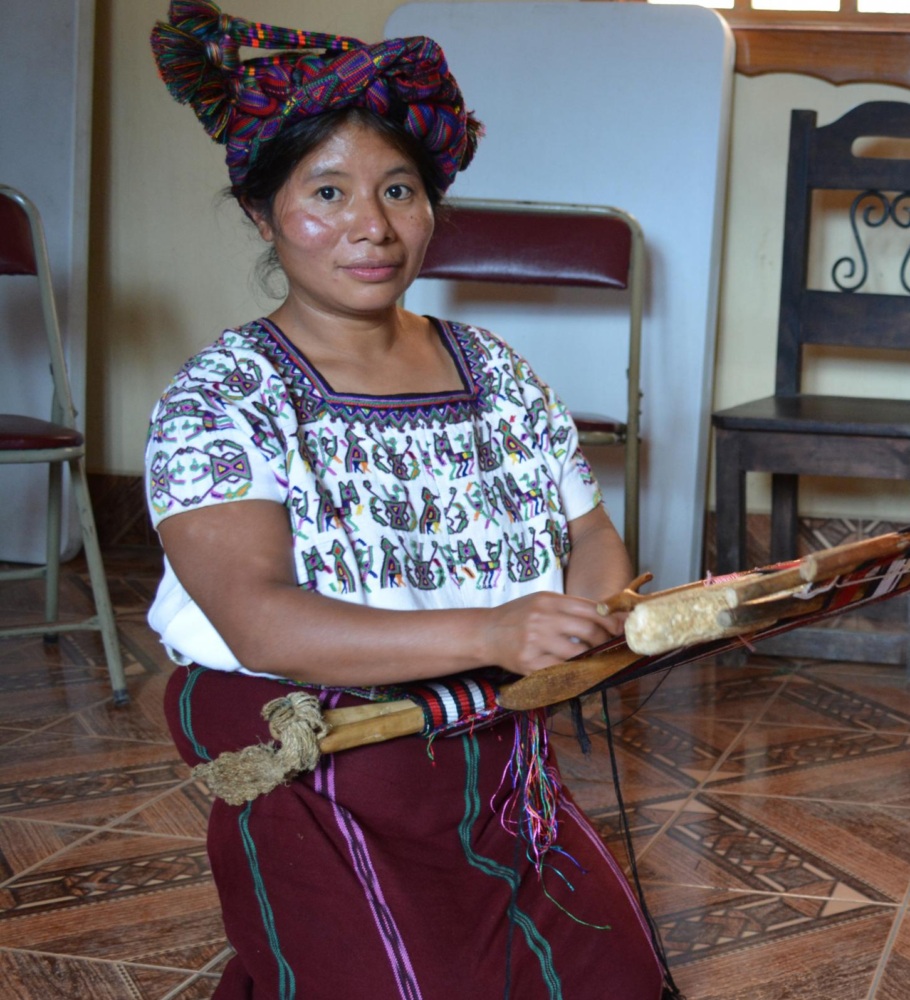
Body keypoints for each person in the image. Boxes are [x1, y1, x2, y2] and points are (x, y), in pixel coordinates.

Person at [146, 3, 676, 998]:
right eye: (328, 193)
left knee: (615, 978)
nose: (372, 228)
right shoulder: (222, 400)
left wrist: (593, 621)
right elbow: (259, 619)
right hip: (323, 761)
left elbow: (591, 534)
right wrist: (500, 629)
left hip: (496, 747)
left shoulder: (497, 372)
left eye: (398, 189)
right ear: (262, 215)